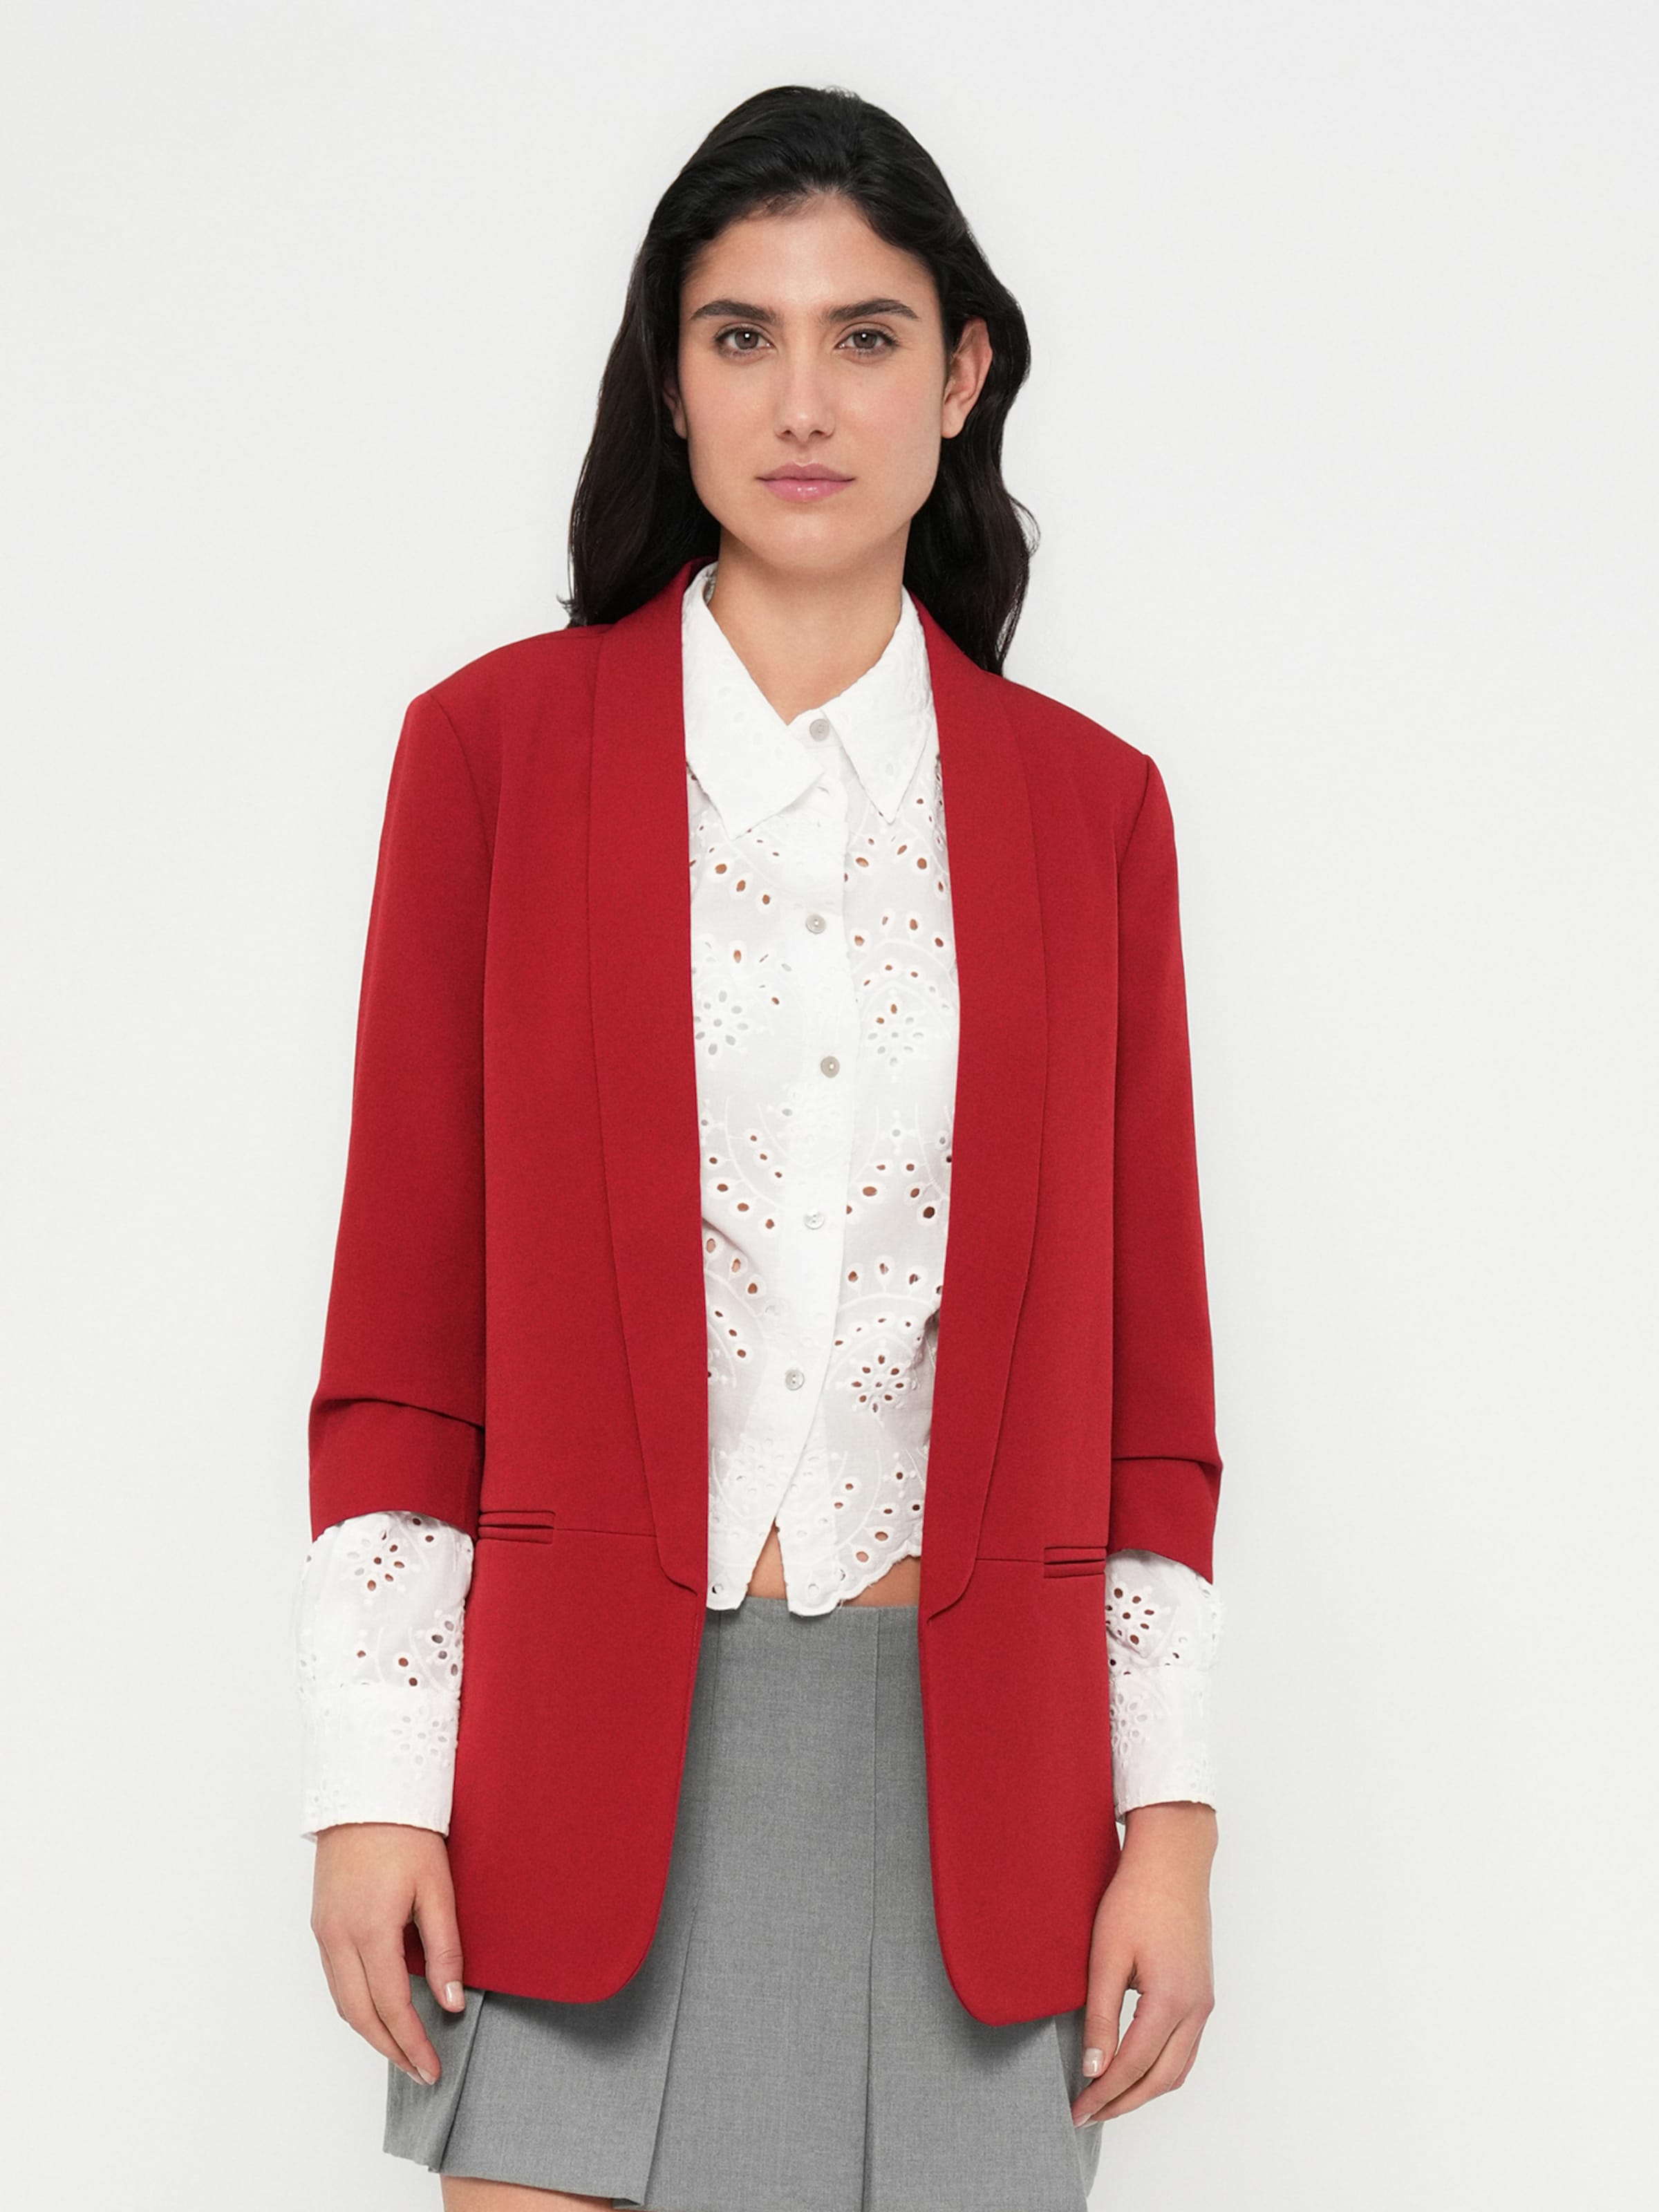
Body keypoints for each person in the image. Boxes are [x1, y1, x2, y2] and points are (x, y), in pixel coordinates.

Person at [294, 82, 1226, 2212]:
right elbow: (406, 1332)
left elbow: (1149, 1391)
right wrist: (375, 1778)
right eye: (742, 336)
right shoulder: (491, 759)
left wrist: (1168, 1828)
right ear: (671, 375)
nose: (804, 402)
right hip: (565, 1773)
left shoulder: (1091, 813)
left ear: (961, 376)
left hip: (973, 1791)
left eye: (865, 336)